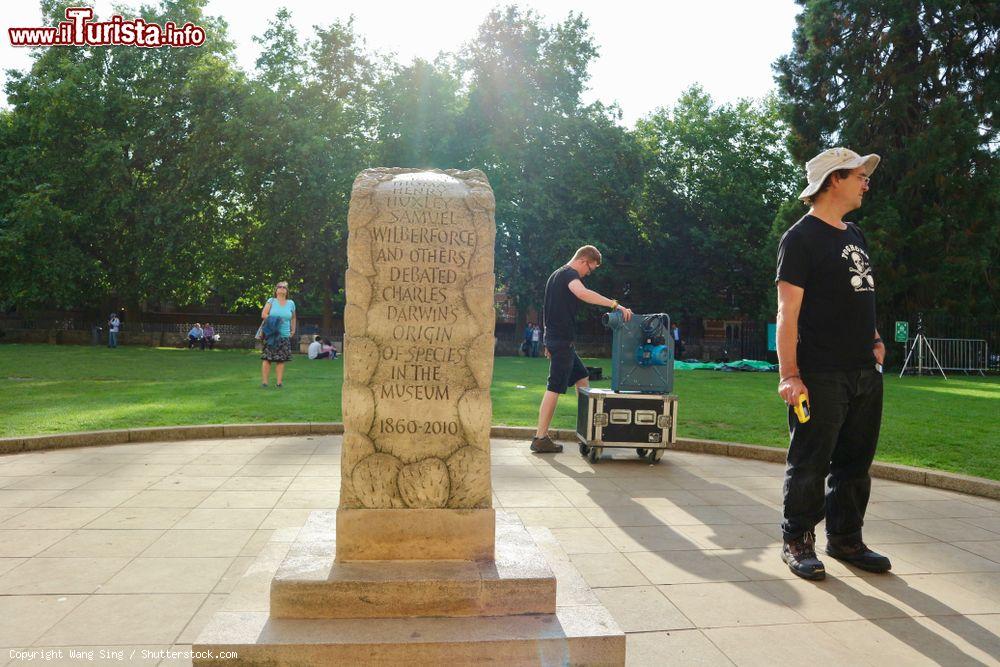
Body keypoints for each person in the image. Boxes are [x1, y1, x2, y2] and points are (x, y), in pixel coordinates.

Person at [775, 147, 890, 581]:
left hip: (864, 370)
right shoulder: (800, 238)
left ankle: (845, 538)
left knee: (855, 463)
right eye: (860, 175)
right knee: (809, 462)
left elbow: (861, 296)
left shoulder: (854, 234)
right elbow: (787, 312)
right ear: (834, 180)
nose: (867, 182)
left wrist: (876, 338)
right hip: (820, 372)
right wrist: (789, 374)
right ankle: (797, 539)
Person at [531, 245, 633, 453]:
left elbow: (546, 310)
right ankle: (540, 437)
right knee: (554, 387)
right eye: (591, 268)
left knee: (582, 378)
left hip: (558, 340)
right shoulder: (569, 274)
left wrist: (546, 340)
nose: (589, 273)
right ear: (583, 260)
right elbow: (583, 293)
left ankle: (587, 429)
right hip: (561, 342)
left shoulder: (555, 275)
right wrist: (616, 305)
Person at [260, 281, 296, 387]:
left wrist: (293, 330)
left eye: (284, 287)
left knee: (281, 360)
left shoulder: (291, 303)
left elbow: (293, 317)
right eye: (279, 287)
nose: (282, 288)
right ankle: (265, 383)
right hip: (271, 334)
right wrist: (276, 319)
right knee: (267, 359)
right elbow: (264, 314)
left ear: (287, 291)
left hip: (284, 335)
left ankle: (279, 383)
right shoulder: (271, 301)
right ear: (276, 290)